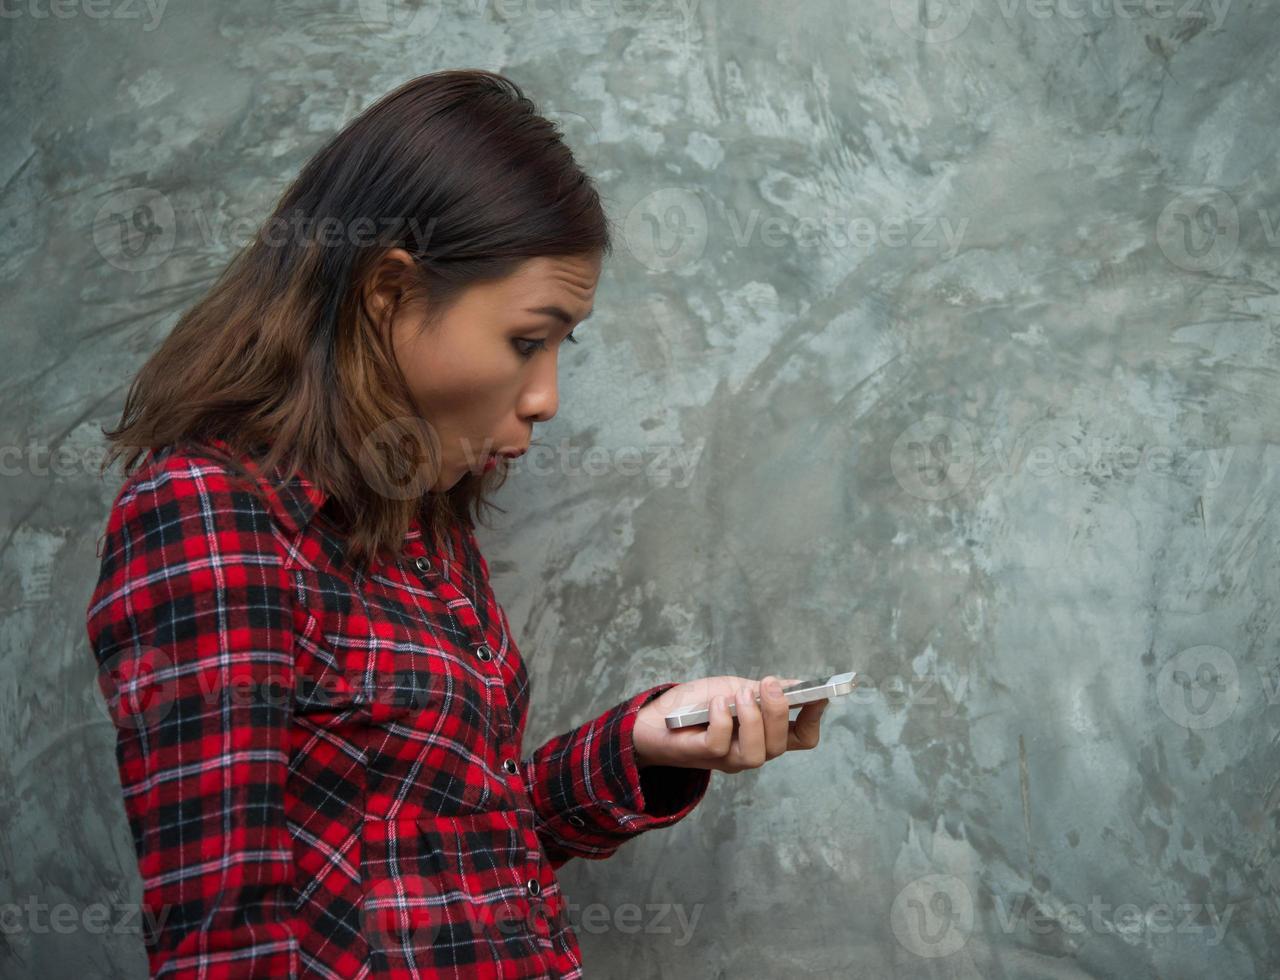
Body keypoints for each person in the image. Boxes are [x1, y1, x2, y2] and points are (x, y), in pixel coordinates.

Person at [84, 68, 828, 979]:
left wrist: (640, 740)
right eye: (527, 340)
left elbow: (463, 848)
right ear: (390, 293)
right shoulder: (207, 514)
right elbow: (228, 943)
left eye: (561, 346)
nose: (548, 397)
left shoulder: (423, 528)